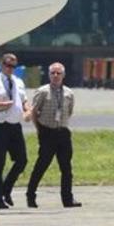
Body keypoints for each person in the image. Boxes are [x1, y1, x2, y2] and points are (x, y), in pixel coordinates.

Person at [26, 62, 80, 208]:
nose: (55, 76)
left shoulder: (69, 93)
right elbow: (34, 112)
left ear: (63, 75)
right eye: (53, 73)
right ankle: (30, 195)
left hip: (63, 132)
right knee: (41, 165)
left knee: (66, 169)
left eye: (58, 73)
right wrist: (40, 130)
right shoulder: (42, 91)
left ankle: (67, 199)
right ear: (49, 75)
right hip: (47, 132)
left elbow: (69, 111)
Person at [0, 53, 30, 210]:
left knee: (22, 160)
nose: (10, 69)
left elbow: (24, 100)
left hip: (15, 125)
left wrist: (28, 110)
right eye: (8, 65)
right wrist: (1, 105)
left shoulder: (18, 82)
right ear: (2, 65)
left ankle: (6, 189)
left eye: (13, 66)